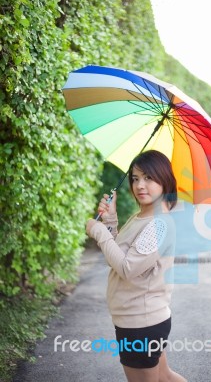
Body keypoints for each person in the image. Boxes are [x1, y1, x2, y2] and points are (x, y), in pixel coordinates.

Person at [86, 150, 187, 382]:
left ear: (165, 181)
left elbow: (127, 268)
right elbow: (121, 254)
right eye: (135, 178)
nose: (140, 185)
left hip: (140, 323)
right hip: (144, 319)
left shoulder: (158, 225)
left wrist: (98, 230)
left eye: (149, 178)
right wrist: (110, 221)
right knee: (165, 377)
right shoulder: (142, 216)